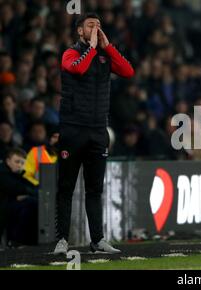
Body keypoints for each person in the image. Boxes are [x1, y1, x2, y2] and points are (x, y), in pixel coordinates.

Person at [54, 13, 134, 255]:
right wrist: (90, 48)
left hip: (98, 131)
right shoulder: (71, 53)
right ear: (80, 31)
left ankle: (97, 240)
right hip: (72, 128)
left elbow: (128, 71)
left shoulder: (104, 55)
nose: (96, 28)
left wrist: (107, 47)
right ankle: (62, 240)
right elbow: (77, 69)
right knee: (66, 186)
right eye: (91, 25)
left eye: (99, 25)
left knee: (94, 189)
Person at [0, 147, 38, 247]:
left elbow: (33, 189)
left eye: (22, 163)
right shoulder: (2, 172)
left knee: (31, 203)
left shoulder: (21, 174)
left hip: (8, 208)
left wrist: (26, 194)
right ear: (8, 161)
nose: (20, 165)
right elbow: (17, 188)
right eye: (17, 162)